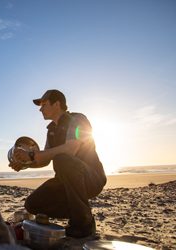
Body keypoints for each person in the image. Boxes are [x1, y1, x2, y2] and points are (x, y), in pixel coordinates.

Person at [9, 89, 106, 238]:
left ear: (57, 104)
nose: (40, 109)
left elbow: (71, 149)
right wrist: (25, 164)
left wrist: (32, 154)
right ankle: (79, 212)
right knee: (32, 204)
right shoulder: (51, 131)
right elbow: (45, 159)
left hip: (91, 178)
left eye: (44, 104)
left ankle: (84, 223)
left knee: (63, 159)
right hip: (65, 182)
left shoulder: (78, 119)